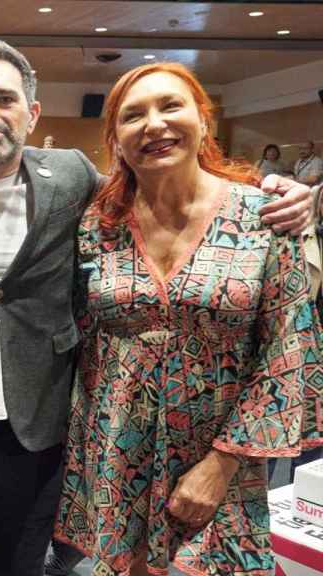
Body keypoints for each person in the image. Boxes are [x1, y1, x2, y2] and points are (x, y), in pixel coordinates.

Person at [0, 39, 312, 576]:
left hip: (40, 419)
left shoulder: (72, 178)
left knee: (22, 564)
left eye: (4, 98)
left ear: (31, 112)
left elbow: (287, 351)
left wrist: (289, 192)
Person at [55, 60, 323, 576]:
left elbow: (289, 352)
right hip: (117, 454)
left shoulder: (263, 218)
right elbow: (84, 341)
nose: (154, 125)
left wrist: (221, 466)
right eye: (133, 117)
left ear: (203, 119)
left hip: (220, 452)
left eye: (170, 106)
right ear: (116, 139)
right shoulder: (97, 225)